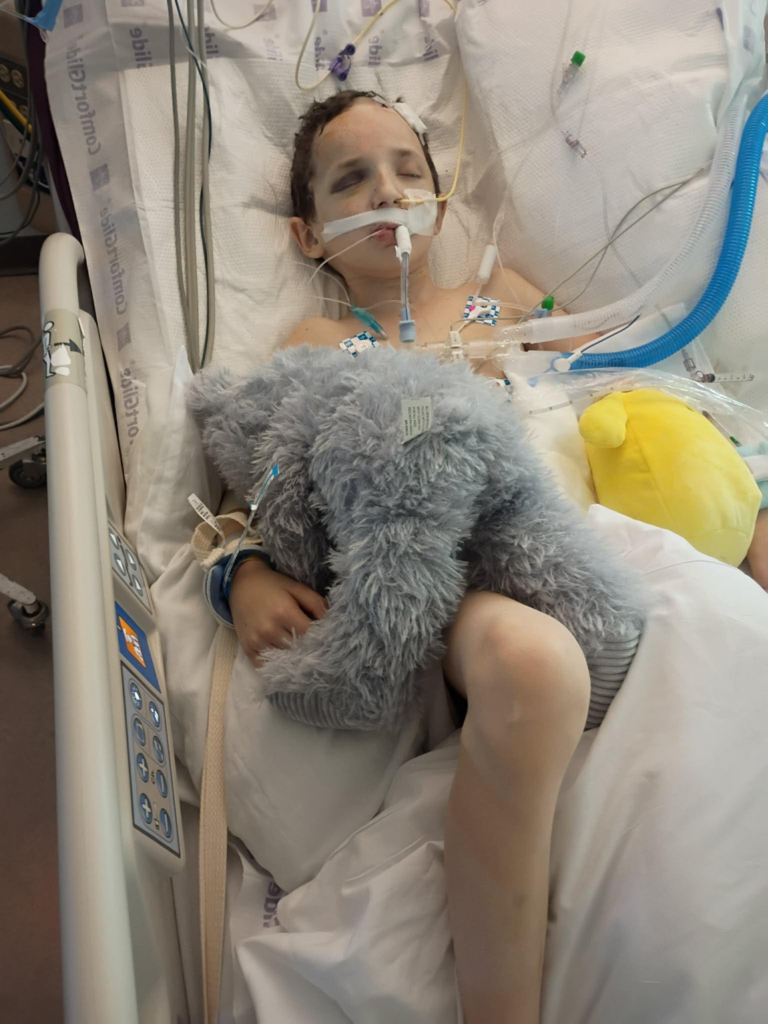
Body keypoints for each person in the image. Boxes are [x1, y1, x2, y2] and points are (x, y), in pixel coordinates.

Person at [212, 90, 764, 1023]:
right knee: (531, 663)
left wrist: (742, 496)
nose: (388, 192)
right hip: (459, 574)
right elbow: (259, 483)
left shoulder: (501, 297)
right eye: (352, 180)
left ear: (440, 196)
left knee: (733, 625)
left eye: (407, 169)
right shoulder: (321, 343)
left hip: (588, 532)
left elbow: (641, 383)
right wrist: (246, 576)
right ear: (308, 236)